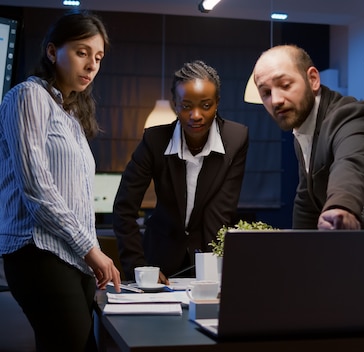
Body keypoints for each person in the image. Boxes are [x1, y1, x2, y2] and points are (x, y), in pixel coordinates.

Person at [0, 10, 121, 351]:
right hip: (37, 254)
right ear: (52, 52)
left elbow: (78, 199)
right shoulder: (27, 96)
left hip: (73, 257)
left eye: (98, 57)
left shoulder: (69, 115)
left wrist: (88, 254)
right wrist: (93, 251)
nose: (92, 65)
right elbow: (37, 190)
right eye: (82, 52)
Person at [113, 60, 249, 283]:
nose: (196, 115)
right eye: (186, 106)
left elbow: (222, 210)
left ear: (217, 103)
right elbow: (123, 208)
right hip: (158, 260)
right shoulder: (154, 141)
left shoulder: (236, 139)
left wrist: (217, 270)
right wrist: (139, 267)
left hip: (210, 259)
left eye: (206, 105)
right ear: (174, 104)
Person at [252, 45, 364, 230]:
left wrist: (341, 207)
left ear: (313, 79)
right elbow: (307, 202)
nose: (275, 100)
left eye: (285, 85)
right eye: (266, 93)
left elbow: (352, 164)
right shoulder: (303, 130)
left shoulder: (352, 116)